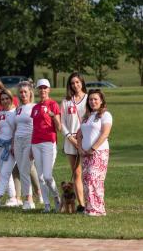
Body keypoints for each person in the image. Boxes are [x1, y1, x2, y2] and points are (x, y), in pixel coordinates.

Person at [76, 89, 112, 216]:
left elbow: (104, 134)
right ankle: (90, 208)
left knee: (94, 179)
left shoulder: (105, 115)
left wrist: (93, 149)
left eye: (95, 99)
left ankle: (98, 209)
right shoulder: (86, 117)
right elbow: (79, 135)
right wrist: (80, 149)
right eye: (90, 99)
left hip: (99, 152)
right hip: (85, 154)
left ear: (101, 101)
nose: (93, 101)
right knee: (86, 180)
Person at [31, 78, 62, 213]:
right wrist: (31, 146)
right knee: (40, 177)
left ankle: (56, 198)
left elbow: (59, 127)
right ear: (38, 90)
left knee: (48, 176)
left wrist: (53, 116)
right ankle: (47, 205)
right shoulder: (35, 108)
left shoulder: (53, 104)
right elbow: (34, 127)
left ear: (49, 89)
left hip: (49, 142)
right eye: (40, 88)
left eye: (45, 88)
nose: (42, 90)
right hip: (36, 143)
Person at [61, 72, 87, 213]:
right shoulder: (66, 101)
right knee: (76, 173)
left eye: (77, 82)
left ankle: (92, 202)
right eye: (72, 83)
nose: (75, 85)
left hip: (86, 141)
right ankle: (81, 205)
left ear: (82, 82)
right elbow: (62, 123)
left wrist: (81, 139)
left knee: (88, 173)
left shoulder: (89, 99)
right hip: (70, 141)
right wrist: (70, 138)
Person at [12, 82, 39, 210]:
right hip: (18, 140)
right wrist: (13, 143)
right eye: (21, 92)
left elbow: (37, 127)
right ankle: (27, 198)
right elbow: (15, 127)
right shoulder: (18, 108)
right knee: (21, 169)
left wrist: (34, 144)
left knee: (25, 169)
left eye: (25, 92)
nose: (23, 94)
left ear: (30, 93)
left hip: (29, 139)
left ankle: (29, 200)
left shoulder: (35, 107)